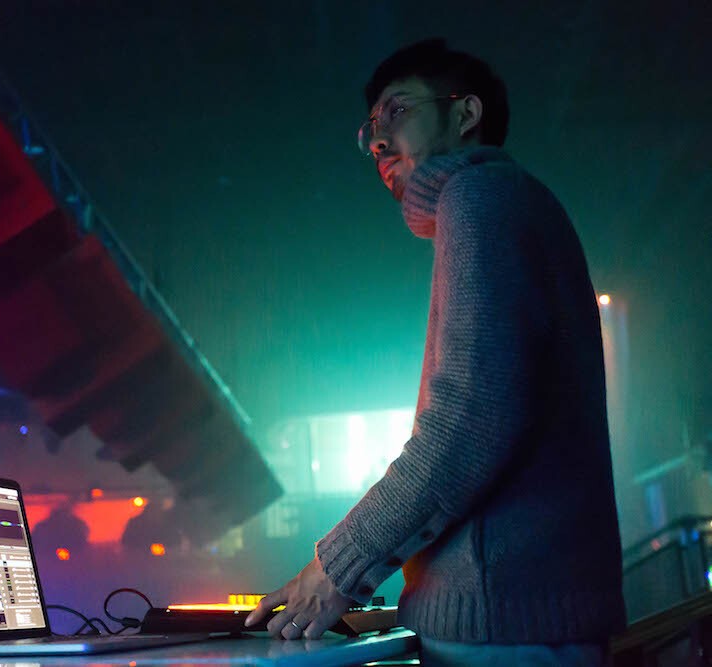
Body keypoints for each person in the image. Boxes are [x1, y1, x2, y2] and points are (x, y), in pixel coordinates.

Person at [245, 39, 626, 665]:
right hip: (518, 621)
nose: (376, 140)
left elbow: (467, 423)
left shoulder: (481, 197)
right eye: (370, 127)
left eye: (397, 111)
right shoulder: (504, 200)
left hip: (501, 634)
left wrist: (335, 569)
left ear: (466, 113)